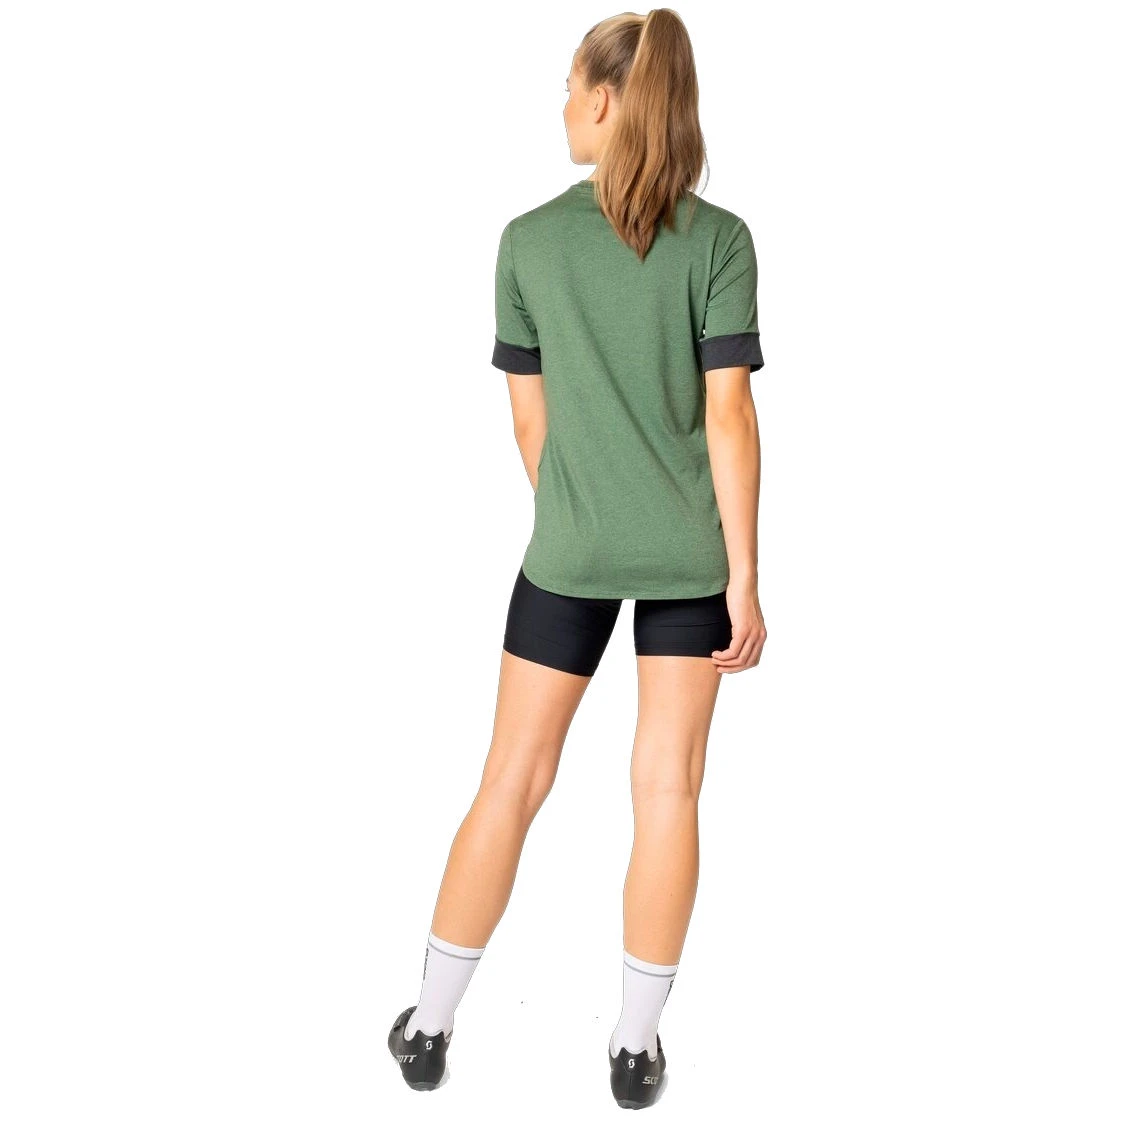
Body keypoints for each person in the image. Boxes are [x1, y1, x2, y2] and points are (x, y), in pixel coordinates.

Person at [388, 8, 767, 1109]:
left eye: (568, 87)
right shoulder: (722, 241)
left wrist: (580, 514)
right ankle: (636, 1051)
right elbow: (730, 416)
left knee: (510, 780)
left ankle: (429, 1026)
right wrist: (743, 578)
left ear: (606, 100)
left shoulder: (526, 242)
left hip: (567, 552)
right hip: (692, 559)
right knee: (668, 787)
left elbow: (530, 423)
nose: (561, 105)